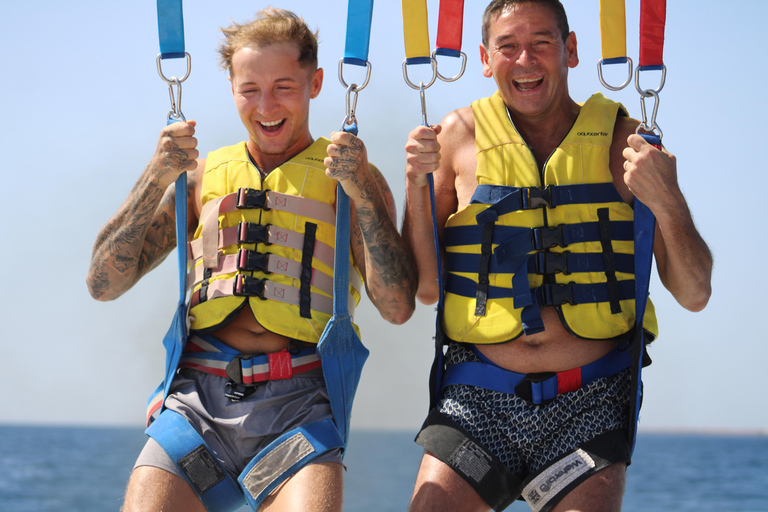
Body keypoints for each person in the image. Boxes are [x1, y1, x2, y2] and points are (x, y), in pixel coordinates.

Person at [86, 8, 416, 512]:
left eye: (284, 86)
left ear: (316, 83)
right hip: (196, 403)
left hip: (300, 405)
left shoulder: (351, 178)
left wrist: (363, 192)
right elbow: (102, 284)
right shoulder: (200, 176)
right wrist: (155, 176)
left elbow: (396, 307)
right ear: (232, 88)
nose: (266, 106)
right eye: (249, 89)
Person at [402, 1, 712, 511]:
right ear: (484, 58)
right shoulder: (454, 137)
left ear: (570, 50)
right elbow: (427, 288)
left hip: (591, 399)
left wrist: (667, 200)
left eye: (541, 43)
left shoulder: (626, 142)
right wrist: (416, 184)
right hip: (476, 398)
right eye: (508, 46)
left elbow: (695, 293)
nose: (525, 60)